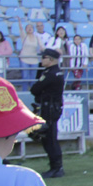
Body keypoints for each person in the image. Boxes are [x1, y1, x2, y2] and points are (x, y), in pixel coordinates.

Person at [31, 49, 67, 178]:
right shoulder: (52, 72)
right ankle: (55, 166)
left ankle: (56, 167)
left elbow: (35, 89)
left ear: (51, 59)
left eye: (44, 58)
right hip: (50, 107)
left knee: (50, 138)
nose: (42, 60)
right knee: (48, 138)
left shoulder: (51, 74)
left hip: (50, 108)